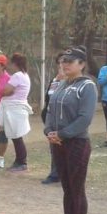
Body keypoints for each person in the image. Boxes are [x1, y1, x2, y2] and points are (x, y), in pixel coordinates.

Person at [44, 47, 98, 214]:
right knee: (66, 187)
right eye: (64, 60)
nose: (65, 64)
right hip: (58, 143)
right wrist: (49, 131)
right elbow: (50, 110)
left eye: (71, 61)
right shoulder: (61, 84)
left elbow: (85, 118)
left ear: (82, 64)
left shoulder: (87, 87)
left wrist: (63, 134)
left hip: (77, 142)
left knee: (77, 188)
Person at [0, 53, 33, 173]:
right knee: (16, 136)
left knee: (16, 136)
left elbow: (6, 90)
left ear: (15, 64)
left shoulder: (17, 75)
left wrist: (5, 91)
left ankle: (22, 161)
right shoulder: (25, 75)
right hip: (16, 107)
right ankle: (20, 160)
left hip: (14, 108)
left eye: (11, 63)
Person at [40, 52, 65, 184]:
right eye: (59, 62)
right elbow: (48, 99)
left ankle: (67, 173)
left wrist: (63, 80)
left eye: (64, 62)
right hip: (51, 118)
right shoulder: (54, 80)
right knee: (54, 146)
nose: (61, 65)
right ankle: (55, 173)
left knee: (66, 147)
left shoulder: (71, 81)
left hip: (65, 119)